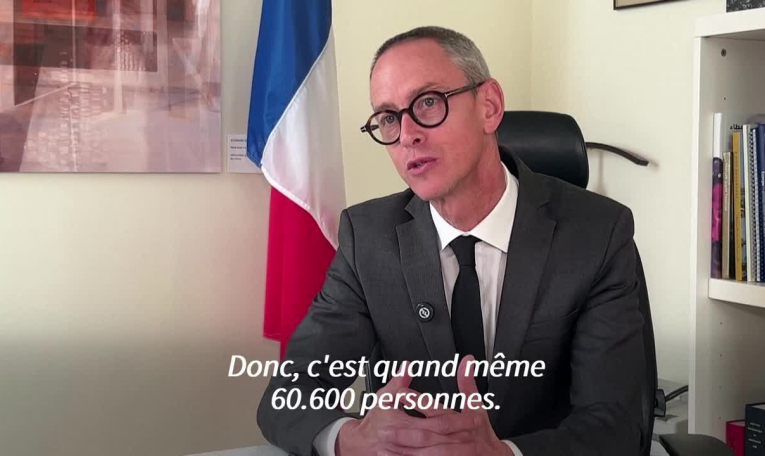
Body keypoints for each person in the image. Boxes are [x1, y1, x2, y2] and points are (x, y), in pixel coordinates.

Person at [258, 26, 646, 456]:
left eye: (428, 102)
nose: (407, 134)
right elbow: (287, 396)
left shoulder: (596, 234)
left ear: (489, 107)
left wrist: (504, 454)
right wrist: (351, 438)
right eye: (389, 117)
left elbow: (617, 425)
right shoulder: (367, 238)